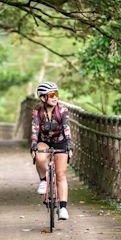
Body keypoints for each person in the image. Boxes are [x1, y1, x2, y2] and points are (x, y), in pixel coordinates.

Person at [30, 82, 73, 220]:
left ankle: (63, 208)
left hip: (61, 141)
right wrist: (33, 145)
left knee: (60, 174)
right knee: (40, 157)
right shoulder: (37, 110)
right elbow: (35, 129)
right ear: (43, 98)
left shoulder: (62, 110)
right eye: (52, 95)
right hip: (44, 141)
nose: (55, 98)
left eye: (57, 94)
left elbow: (66, 128)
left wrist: (69, 146)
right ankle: (43, 180)